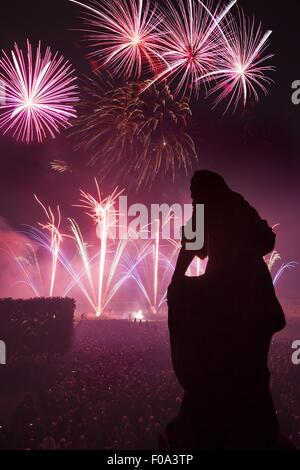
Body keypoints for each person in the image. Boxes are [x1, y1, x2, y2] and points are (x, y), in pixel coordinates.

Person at [167, 170, 286, 449]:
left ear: (206, 191)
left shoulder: (207, 209)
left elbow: (188, 250)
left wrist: (176, 283)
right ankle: (259, 426)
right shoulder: (239, 204)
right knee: (253, 367)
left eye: (195, 193)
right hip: (256, 293)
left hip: (226, 290)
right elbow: (267, 240)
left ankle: (210, 419)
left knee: (218, 358)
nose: (194, 199)